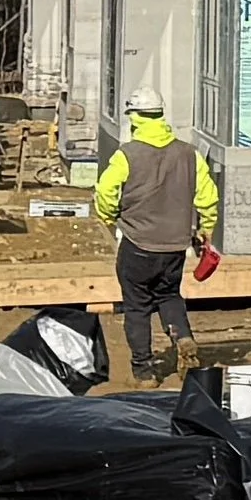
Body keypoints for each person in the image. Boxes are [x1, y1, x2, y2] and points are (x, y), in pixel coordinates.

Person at [93, 89, 219, 384]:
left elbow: (106, 191)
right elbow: (208, 196)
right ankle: (183, 338)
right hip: (175, 245)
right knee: (168, 295)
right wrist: (207, 227)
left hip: (138, 244)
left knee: (137, 306)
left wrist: (109, 216)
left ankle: (144, 369)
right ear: (162, 115)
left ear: (134, 118)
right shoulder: (189, 154)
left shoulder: (127, 154)